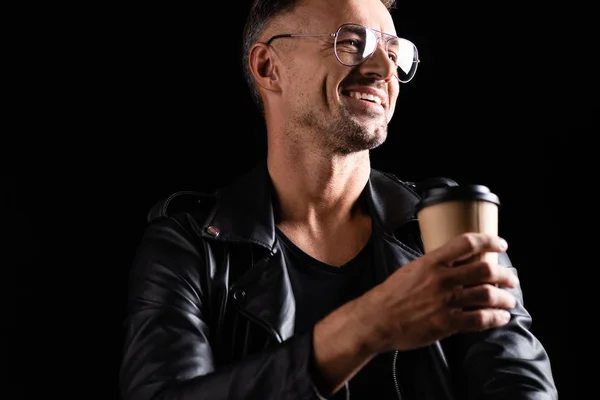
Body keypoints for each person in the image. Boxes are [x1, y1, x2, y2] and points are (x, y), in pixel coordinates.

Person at [119, 0, 558, 398]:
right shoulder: (188, 245)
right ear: (269, 66)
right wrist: (369, 325)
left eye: (393, 51)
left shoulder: (444, 227)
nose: (383, 70)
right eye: (351, 42)